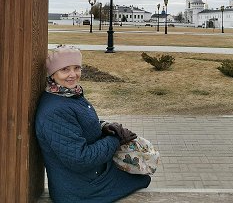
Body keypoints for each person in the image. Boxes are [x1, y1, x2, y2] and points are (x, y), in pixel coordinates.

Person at [35, 45, 151, 203]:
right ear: (53, 74)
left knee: (141, 175)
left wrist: (105, 127)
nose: (73, 75)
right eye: (65, 69)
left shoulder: (68, 94)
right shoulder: (54, 111)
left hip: (88, 178)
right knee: (141, 179)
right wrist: (115, 139)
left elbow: (80, 125)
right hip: (79, 191)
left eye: (77, 68)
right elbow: (80, 159)